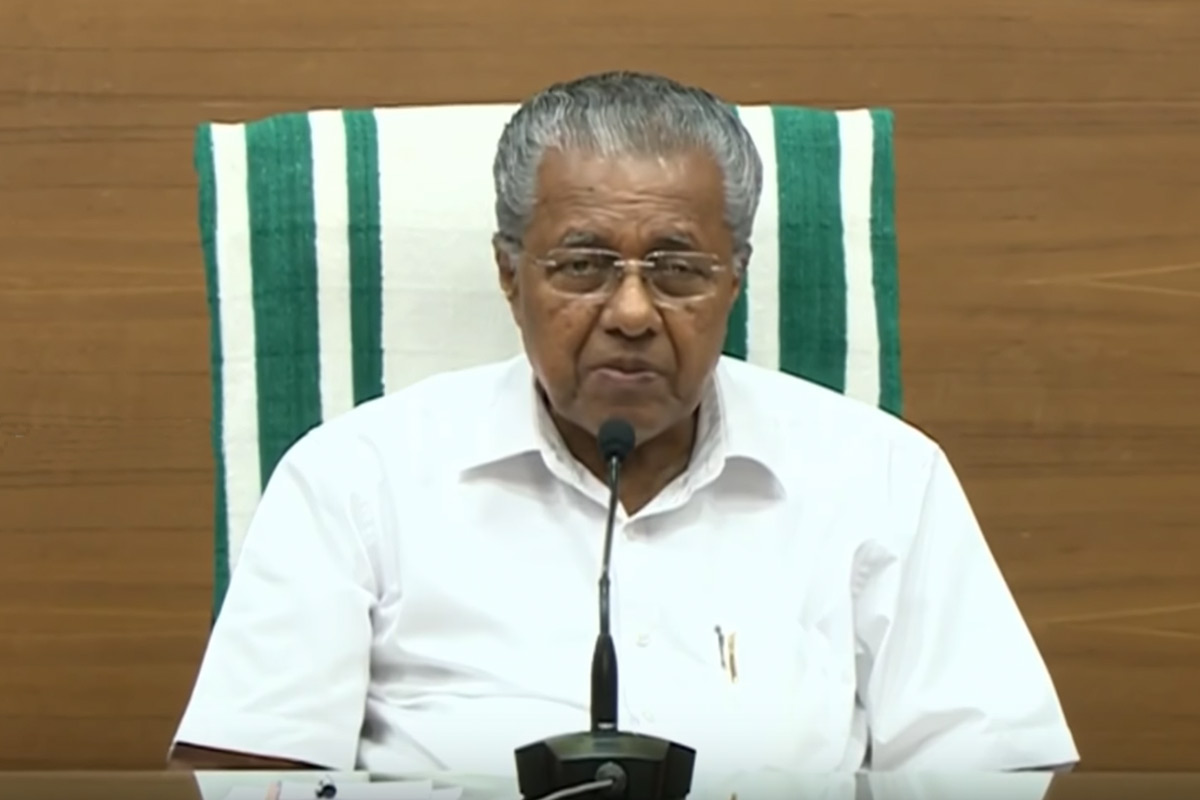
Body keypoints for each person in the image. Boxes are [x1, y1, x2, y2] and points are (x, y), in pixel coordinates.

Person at [168, 71, 1078, 781]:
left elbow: (988, 766)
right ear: (510, 274)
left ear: (734, 279)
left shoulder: (879, 475)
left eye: (678, 268)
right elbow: (256, 776)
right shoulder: (355, 478)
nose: (633, 312)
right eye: (583, 265)